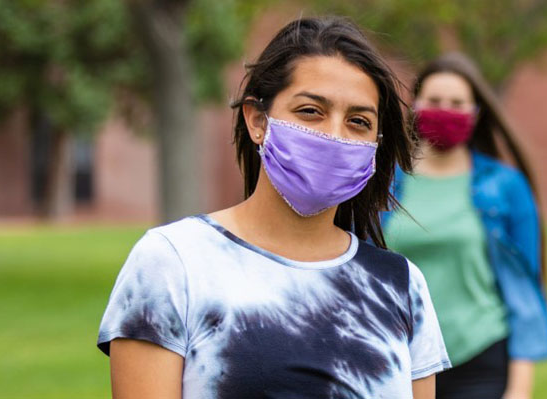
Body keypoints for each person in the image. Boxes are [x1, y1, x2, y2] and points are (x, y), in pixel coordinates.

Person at [96, 17, 449, 398]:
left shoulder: (400, 285)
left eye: (358, 121)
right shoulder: (173, 262)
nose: (334, 135)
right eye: (310, 111)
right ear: (257, 120)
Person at [381, 53, 547, 399]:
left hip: (479, 359)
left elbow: (525, 289)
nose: (445, 110)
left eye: (457, 104)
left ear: (476, 113)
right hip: (396, 357)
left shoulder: (505, 186)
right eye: (434, 101)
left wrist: (519, 389)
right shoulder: (382, 182)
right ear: (415, 106)